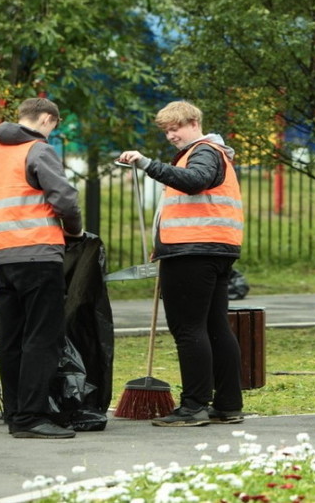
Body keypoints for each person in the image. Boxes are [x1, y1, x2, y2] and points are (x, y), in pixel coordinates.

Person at [117, 100, 245, 428]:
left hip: (193, 252)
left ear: (193, 122)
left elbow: (194, 182)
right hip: (212, 249)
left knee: (188, 328)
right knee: (215, 326)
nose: (171, 135)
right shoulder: (214, 152)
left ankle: (193, 406)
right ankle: (228, 404)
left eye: (176, 128)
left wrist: (147, 164)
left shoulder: (203, 151)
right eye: (167, 130)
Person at [0, 98, 83, 439]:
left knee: (11, 336)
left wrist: (5, 222)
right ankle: (31, 417)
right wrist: (72, 231)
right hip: (40, 254)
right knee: (43, 336)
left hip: (4, 257)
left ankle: (15, 411)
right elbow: (66, 200)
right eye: (53, 126)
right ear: (46, 118)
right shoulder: (38, 150)